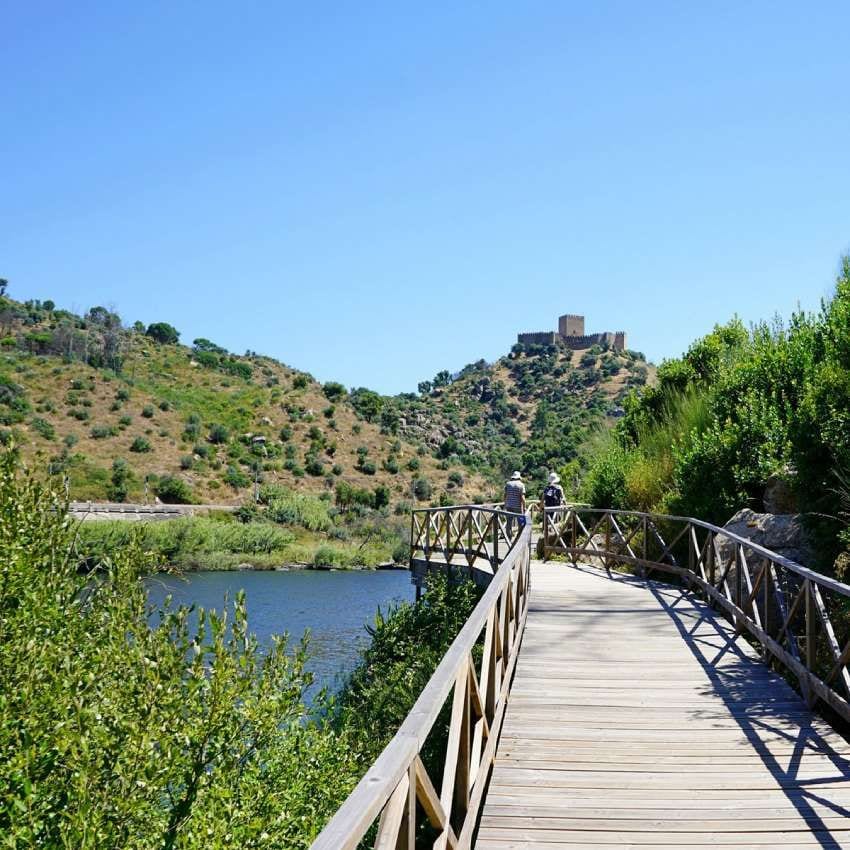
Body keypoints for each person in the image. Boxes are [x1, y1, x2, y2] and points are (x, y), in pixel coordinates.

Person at [504, 470, 526, 535]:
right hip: (518, 507)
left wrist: (505, 505)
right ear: (519, 478)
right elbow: (522, 498)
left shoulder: (508, 484)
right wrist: (524, 507)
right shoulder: (521, 485)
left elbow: (505, 495)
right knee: (520, 523)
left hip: (509, 506)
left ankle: (509, 538)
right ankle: (519, 537)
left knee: (509, 523)